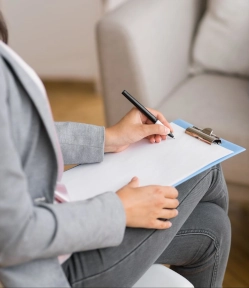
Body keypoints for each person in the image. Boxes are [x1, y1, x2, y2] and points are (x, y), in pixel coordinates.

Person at [0, 12, 230, 288]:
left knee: (213, 228)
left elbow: (18, 136)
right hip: (46, 269)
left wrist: (108, 138)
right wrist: (119, 210)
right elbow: (12, 236)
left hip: (56, 230)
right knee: (206, 166)